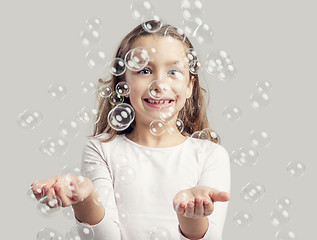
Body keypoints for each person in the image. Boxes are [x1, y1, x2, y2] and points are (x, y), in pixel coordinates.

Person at [30, 21, 231, 240]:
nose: (159, 84)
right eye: (144, 70)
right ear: (122, 82)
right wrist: (85, 197)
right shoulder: (102, 149)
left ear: (190, 86)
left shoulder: (210, 155)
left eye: (173, 71)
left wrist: (191, 216)